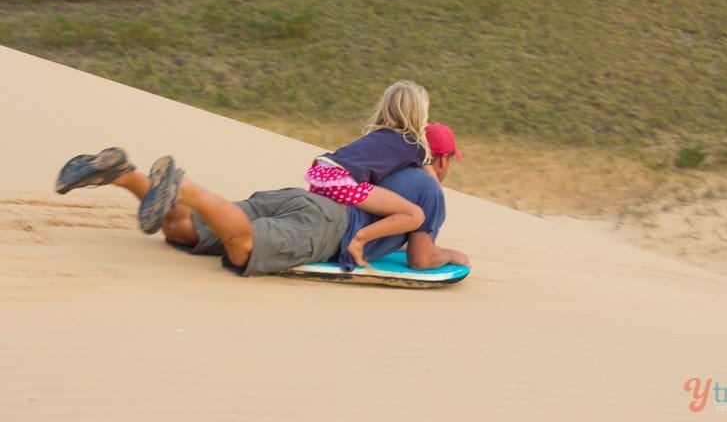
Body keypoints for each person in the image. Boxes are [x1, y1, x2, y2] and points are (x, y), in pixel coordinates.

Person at [55, 123, 469, 275]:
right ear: (444, 159)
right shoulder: (430, 189)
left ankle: (123, 173)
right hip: (329, 227)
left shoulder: (390, 153)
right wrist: (452, 254)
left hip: (302, 197)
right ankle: (185, 187)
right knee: (244, 247)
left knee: (181, 229)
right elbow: (420, 258)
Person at [304, 80, 434, 268]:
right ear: (419, 115)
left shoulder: (377, 135)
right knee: (414, 215)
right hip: (341, 181)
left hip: (320, 171)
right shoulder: (414, 145)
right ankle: (359, 240)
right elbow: (431, 184)